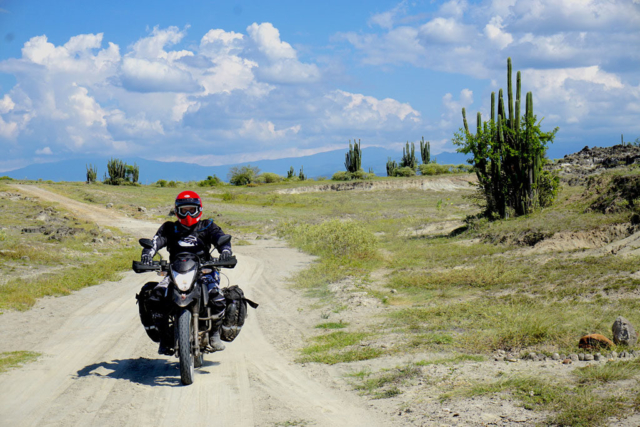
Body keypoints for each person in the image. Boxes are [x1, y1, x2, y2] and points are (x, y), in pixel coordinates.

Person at [140, 190, 232, 355]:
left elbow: (221, 238)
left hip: (205, 270)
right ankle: (165, 337)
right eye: (184, 210)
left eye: (191, 209)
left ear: (199, 209)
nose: (188, 213)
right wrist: (147, 254)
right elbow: (156, 241)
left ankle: (214, 333)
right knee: (155, 297)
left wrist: (225, 251)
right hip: (175, 271)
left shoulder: (208, 226)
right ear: (177, 210)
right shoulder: (169, 228)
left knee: (217, 298)